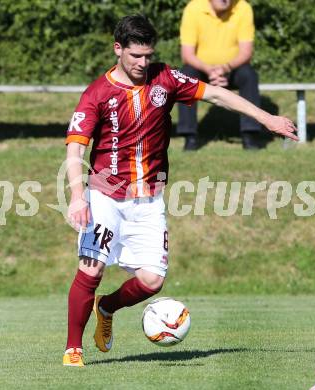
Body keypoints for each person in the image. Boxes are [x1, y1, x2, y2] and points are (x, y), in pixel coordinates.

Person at [63, 14, 297, 367]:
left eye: (148, 55)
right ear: (118, 49)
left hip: (149, 198)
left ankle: (107, 307)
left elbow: (217, 94)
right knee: (91, 267)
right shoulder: (97, 93)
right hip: (105, 195)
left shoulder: (167, 78)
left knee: (152, 281)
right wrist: (77, 197)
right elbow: (75, 148)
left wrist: (267, 119)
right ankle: (73, 349)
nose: (143, 63)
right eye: (135, 56)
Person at [177, 0, 263, 150]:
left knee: (249, 75)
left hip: (233, 69)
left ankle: (250, 135)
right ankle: (189, 137)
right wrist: (210, 70)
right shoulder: (193, 8)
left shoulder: (243, 8)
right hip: (202, 69)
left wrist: (225, 68)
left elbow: (246, 52)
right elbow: (187, 55)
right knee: (186, 75)